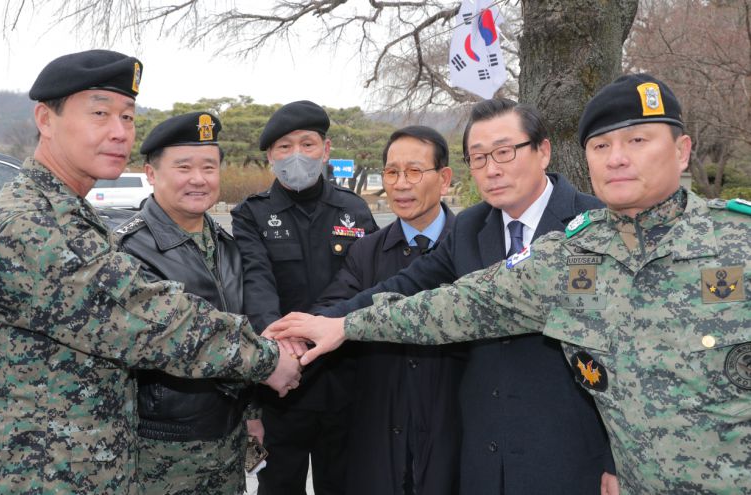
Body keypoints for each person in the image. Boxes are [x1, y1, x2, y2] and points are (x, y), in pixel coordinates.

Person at [272, 73, 751, 494]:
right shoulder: (568, 250)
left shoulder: (734, 241)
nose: (618, 159)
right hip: (498, 459)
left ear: (682, 151)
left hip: (598, 466)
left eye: (638, 140)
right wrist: (335, 324)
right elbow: (449, 302)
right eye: (601, 146)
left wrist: (611, 461)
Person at [0, 50, 301, 494]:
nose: (119, 131)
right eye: (100, 113)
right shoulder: (30, 224)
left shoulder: (68, 214)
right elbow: (147, 317)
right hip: (38, 475)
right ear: (45, 120)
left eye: (127, 117)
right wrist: (266, 359)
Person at [318, 99, 615, 494]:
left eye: (505, 152)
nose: (492, 169)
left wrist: (614, 459)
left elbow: (624, 353)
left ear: (542, 151)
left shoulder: (594, 225)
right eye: (478, 158)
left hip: (570, 458)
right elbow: (405, 284)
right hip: (485, 461)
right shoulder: (471, 227)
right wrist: (325, 324)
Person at [231, 100, 378, 495]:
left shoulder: (354, 210)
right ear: (270, 156)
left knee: (346, 485)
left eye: (307, 144)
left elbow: (363, 283)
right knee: (279, 486)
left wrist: (308, 334)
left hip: (346, 379)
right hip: (282, 384)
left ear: (325, 150)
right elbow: (256, 281)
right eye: (284, 147)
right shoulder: (251, 214)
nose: (296, 155)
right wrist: (282, 344)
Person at [314, 125, 461, 495]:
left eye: (414, 171)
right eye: (392, 172)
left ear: (444, 179)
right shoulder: (367, 251)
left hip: (455, 436)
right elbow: (333, 307)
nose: (401, 184)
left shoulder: (473, 247)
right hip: (380, 435)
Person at [115, 112, 254, 494]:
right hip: (161, 448)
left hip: (228, 438)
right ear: (151, 173)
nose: (199, 179)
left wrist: (253, 413)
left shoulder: (228, 246)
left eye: (209, 167)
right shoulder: (128, 250)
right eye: (183, 167)